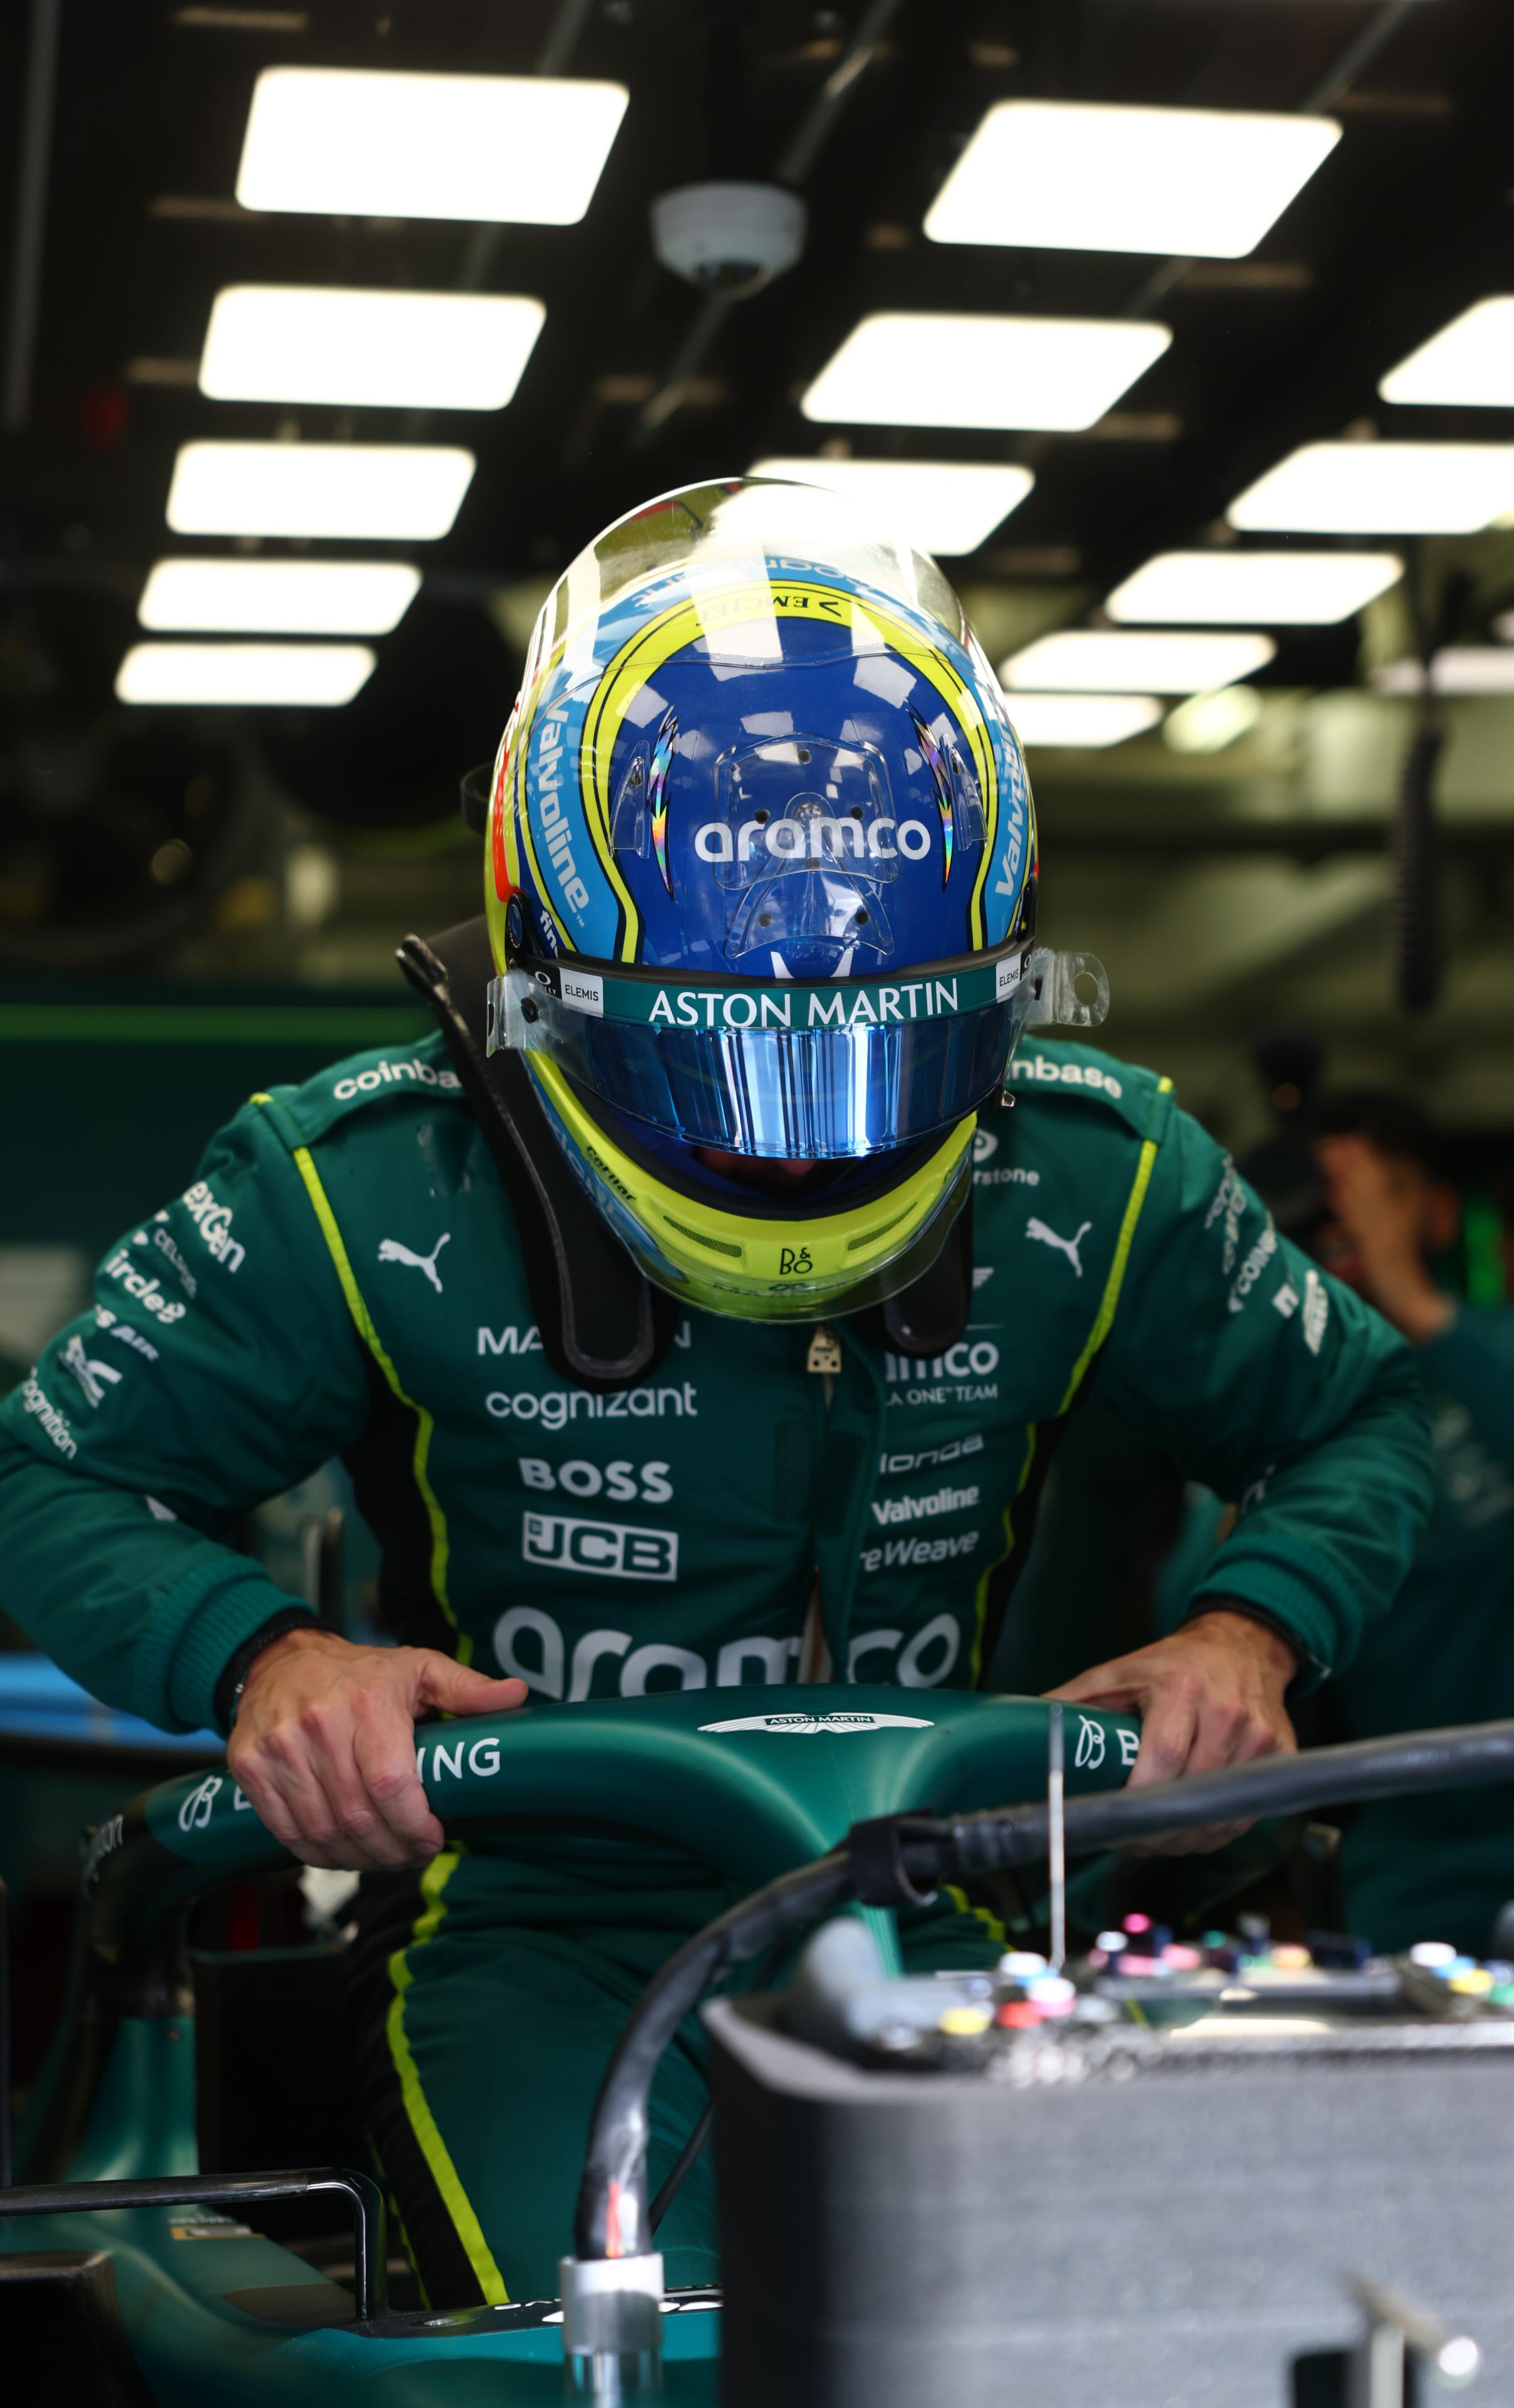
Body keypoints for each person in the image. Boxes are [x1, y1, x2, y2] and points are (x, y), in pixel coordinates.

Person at [0, 481, 1433, 2307]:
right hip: (534, 1924)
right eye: (725, 1067)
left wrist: (1250, 1633)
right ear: (542, 960)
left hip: (928, 1891)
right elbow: (50, 1473)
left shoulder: (1098, 1168)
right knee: (604, 2355)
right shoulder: (352, 1188)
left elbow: (1363, 1414)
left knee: (1087, 2335)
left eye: (875, 1061)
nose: (801, 1150)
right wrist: (265, 1660)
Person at [1317, 1091, 1514, 1955]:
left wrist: (1421, 1310)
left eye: (1379, 1197)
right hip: (1403, 1869)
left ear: (1439, 1215)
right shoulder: (1300, 1398)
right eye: (1328, 1205)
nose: (1351, 1227)